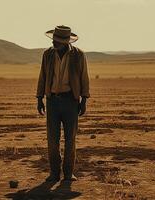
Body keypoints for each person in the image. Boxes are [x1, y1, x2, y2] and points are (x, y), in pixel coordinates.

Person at [36, 25, 90, 182]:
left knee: (70, 139)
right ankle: (54, 173)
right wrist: (39, 98)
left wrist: (84, 99)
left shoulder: (78, 55)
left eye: (58, 41)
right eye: (54, 40)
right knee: (52, 140)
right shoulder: (48, 55)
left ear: (66, 42)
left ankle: (68, 173)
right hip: (52, 101)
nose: (54, 43)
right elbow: (43, 77)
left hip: (70, 101)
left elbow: (84, 78)